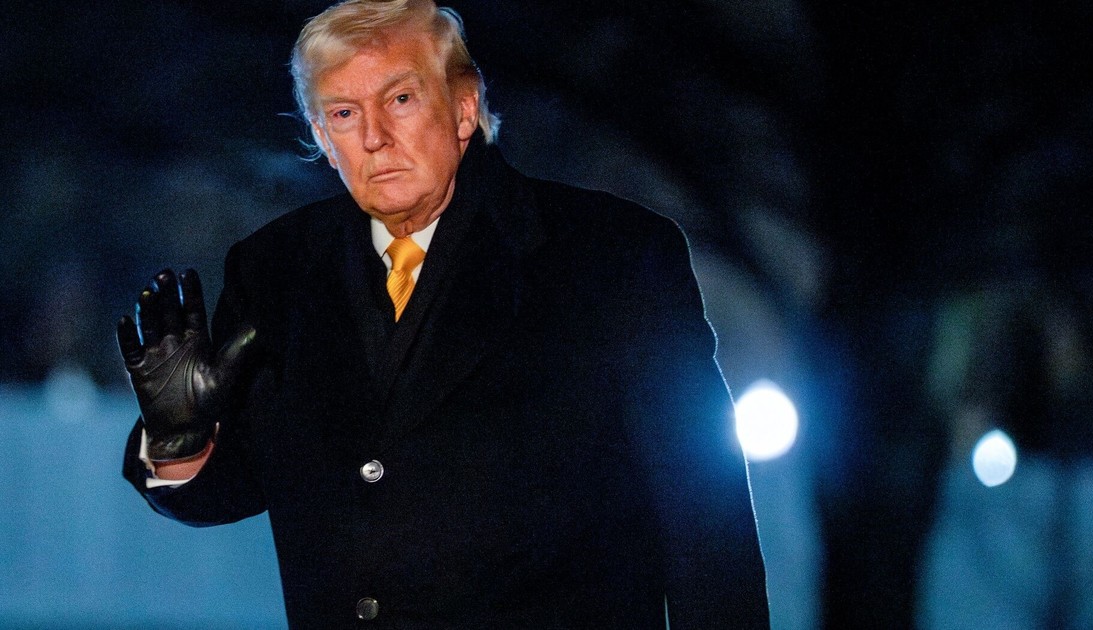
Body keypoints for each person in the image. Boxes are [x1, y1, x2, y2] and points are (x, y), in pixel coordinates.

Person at [116, 0, 769, 627]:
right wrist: (180, 443)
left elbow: (706, 522)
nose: (374, 137)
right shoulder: (274, 270)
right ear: (320, 136)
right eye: (343, 113)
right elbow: (244, 486)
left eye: (400, 99)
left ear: (464, 107)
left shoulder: (614, 257)